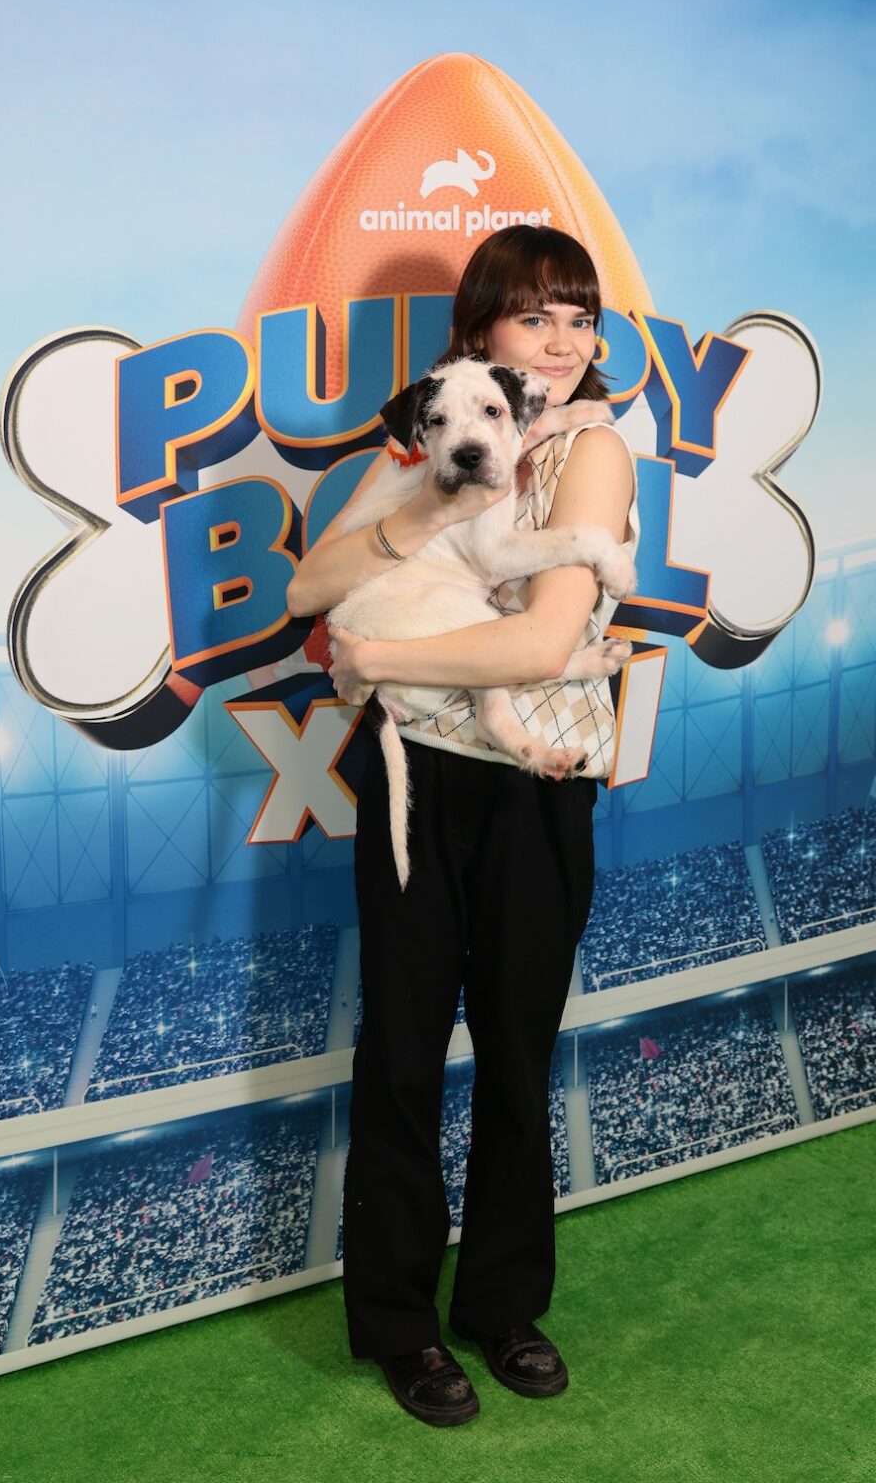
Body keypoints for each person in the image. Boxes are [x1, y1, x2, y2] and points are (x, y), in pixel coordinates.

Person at [286, 225, 639, 1426]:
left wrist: (377, 652)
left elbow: (542, 643)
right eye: (536, 315)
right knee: (396, 1052)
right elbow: (301, 595)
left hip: (534, 789)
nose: (562, 339)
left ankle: (499, 1306)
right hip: (418, 782)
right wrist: (415, 516)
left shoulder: (588, 448)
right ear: (478, 333)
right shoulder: (423, 434)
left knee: (515, 1052)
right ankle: (398, 1324)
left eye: (578, 317)